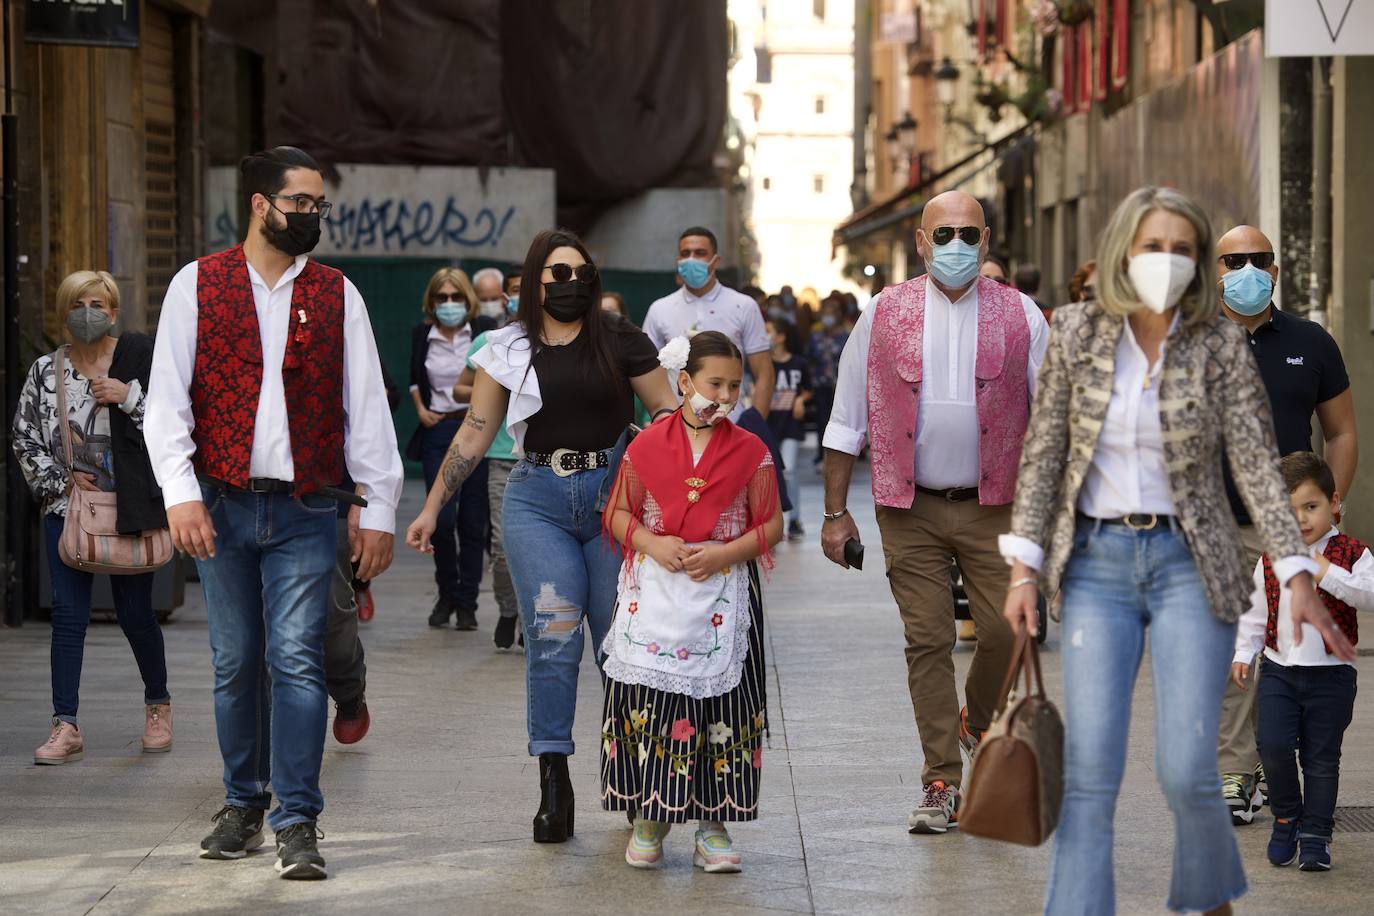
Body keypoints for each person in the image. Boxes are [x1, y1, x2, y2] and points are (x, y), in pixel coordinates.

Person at [1000, 185, 1353, 915]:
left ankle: (1206, 896)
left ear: (1201, 264)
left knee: (1187, 770)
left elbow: (1259, 463)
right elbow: (1044, 456)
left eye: (1183, 250)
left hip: (1192, 564)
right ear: (1124, 251)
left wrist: (1297, 570)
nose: (1168, 261)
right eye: (1153, 246)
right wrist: (1021, 568)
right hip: (1095, 564)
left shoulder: (1219, 344)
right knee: (1092, 772)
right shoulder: (1073, 332)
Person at [145, 146, 403, 880]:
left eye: (320, 205)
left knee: (295, 659)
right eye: (302, 203)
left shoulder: (338, 294)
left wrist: (378, 506)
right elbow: (166, 402)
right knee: (235, 665)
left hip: (306, 509)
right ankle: (243, 803)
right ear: (261, 204)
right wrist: (181, 494)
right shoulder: (197, 285)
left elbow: (366, 409)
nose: (314, 216)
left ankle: (297, 819)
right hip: (220, 507)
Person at [404, 228, 676, 844]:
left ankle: (635, 779)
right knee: (553, 641)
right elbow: (475, 430)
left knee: (621, 645)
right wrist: (431, 508)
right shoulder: (509, 348)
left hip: (613, 501)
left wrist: (671, 463)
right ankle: (555, 779)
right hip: (538, 503)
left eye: (580, 272)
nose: (569, 283)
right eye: (556, 273)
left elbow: (665, 413)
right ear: (535, 279)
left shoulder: (622, 339)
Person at [821, 190, 1050, 834]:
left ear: (987, 240)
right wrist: (836, 514)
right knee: (929, 639)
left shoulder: (1023, 315)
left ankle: (977, 720)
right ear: (921, 243)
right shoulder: (883, 314)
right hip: (910, 507)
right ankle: (941, 782)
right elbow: (846, 421)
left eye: (968, 235)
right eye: (942, 235)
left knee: (1008, 634)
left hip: (994, 507)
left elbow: (1053, 419)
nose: (956, 247)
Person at [599, 331, 783, 872]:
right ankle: (650, 815)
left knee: (723, 709)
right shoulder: (644, 447)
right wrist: (653, 543)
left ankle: (713, 826)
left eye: (734, 386)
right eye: (713, 384)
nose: (724, 396)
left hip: (725, 593)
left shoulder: (751, 451)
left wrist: (726, 553)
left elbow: (770, 523)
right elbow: (617, 514)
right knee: (651, 704)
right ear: (683, 382)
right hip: (653, 591)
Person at [1213, 224, 1358, 824]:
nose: (1248, 269)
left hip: (1287, 529)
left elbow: (1342, 431)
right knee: (1234, 646)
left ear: (1275, 269)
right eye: (1234, 260)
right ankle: (1235, 772)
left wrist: (1330, 506)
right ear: (1215, 270)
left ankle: (1277, 773)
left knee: (1293, 646)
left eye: (1259, 259)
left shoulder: (1311, 341)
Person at [13, 271, 171, 765]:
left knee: (135, 613)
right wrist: (59, 484)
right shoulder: (46, 370)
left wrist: (128, 397)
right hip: (69, 510)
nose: (88, 311)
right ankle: (66, 725)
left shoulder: (137, 361)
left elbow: (172, 428)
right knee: (68, 615)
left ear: (114, 311)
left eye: (97, 303)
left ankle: (158, 704)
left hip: (130, 509)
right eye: (78, 303)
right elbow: (24, 436)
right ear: (65, 311)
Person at [1232, 452, 1372, 872]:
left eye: (1310, 507)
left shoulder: (1352, 553)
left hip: (1332, 676)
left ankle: (1316, 834)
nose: (1300, 520)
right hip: (1280, 671)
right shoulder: (1271, 557)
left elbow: (1368, 595)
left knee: (1321, 758)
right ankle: (1287, 816)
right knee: (1272, 745)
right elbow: (1256, 612)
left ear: (1334, 502)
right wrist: (1244, 652)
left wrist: (1325, 570)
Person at [407, 267, 488, 631]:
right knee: (441, 519)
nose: (450, 304)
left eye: (456, 297)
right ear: (432, 301)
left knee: (473, 521)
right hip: (438, 430)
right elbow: (414, 377)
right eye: (443, 298)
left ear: (467, 299)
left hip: (475, 427)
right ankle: (447, 593)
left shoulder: (483, 332)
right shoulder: (423, 334)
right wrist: (421, 409)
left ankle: (467, 602)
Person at [326, 360, 400, 745]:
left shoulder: (336, 312)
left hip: (329, 492)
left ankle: (348, 688)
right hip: (246, 496)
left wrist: (365, 492)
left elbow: (370, 418)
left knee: (332, 610)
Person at [457, 331, 522, 649]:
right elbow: (460, 388)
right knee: (500, 547)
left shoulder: (563, 338)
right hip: (500, 460)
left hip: (542, 458)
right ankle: (508, 609)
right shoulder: (491, 341)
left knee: (533, 548)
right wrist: (496, 390)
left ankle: (529, 619)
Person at [765, 320, 811, 540]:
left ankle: (794, 518)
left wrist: (800, 399)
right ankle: (776, 519)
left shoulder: (799, 363)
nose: (765, 336)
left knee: (789, 470)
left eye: (769, 332)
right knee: (771, 472)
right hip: (769, 424)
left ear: (781, 337)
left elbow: (808, 389)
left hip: (791, 424)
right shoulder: (763, 365)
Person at [807, 298, 849, 469]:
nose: (828, 316)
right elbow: (809, 359)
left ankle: (841, 458)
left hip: (842, 387)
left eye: (832, 312)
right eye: (826, 312)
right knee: (822, 421)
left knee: (841, 422)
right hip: (821, 386)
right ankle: (821, 455)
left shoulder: (846, 336)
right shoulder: (815, 337)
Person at [471, 266, 508, 334]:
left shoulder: (513, 325)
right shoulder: (469, 329)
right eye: (483, 300)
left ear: (504, 297)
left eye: (494, 299)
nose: (489, 304)